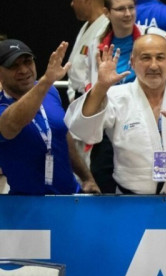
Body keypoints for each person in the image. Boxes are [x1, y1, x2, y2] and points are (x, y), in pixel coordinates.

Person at [66, 36, 166, 194]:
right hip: (133, 204)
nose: (153, 65)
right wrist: (100, 87)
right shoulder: (116, 96)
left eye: (160, 58)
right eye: (145, 58)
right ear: (132, 62)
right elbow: (82, 130)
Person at [0, 39, 97, 194]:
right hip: (27, 205)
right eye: (14, 65)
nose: (24, 70)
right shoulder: (4, 104)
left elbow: (61, 134)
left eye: (27, 62)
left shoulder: (50, 92)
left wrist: (86, 177)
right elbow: (11, 124)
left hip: (69, 197)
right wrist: (45, 81)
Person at [66, 0, 109, 102]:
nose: (72, 4)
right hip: (78, 98)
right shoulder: (88, 25)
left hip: (92, 99)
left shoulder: (107, 27)